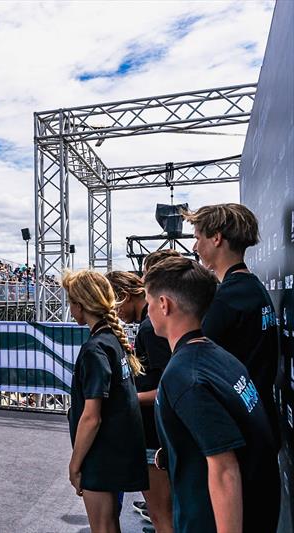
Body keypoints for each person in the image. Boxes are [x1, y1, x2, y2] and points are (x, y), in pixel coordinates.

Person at [145, 256, 280, 533]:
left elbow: (224, 468)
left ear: (164, 304)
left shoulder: (185, 376)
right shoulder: (222, 358)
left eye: (148, 301)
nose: (147, 311)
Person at [184, 203, 281, 444]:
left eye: (197, 238)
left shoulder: (227, 298)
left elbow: (196, 365)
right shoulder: (252, 287)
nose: (194, 247)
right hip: (258, 420)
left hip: (240, 432)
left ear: (216, 238)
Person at [61, 269, 148, 533]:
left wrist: (75, 464)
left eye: (71, 302)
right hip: (115, 448)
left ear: (80, 306)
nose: (70, 308)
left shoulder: (95, 349)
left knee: (102, 527)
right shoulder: (112, 340)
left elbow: (92, 416)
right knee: (109, 525)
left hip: (100, 453)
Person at [105, 270, 172, 533]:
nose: (115, 313)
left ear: (123, 295)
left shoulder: (149, 328)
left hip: (155, 438)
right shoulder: (148, 326)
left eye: (114, 305)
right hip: (156, 434)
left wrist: (126, 399)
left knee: (162, 516)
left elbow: (168, 387)